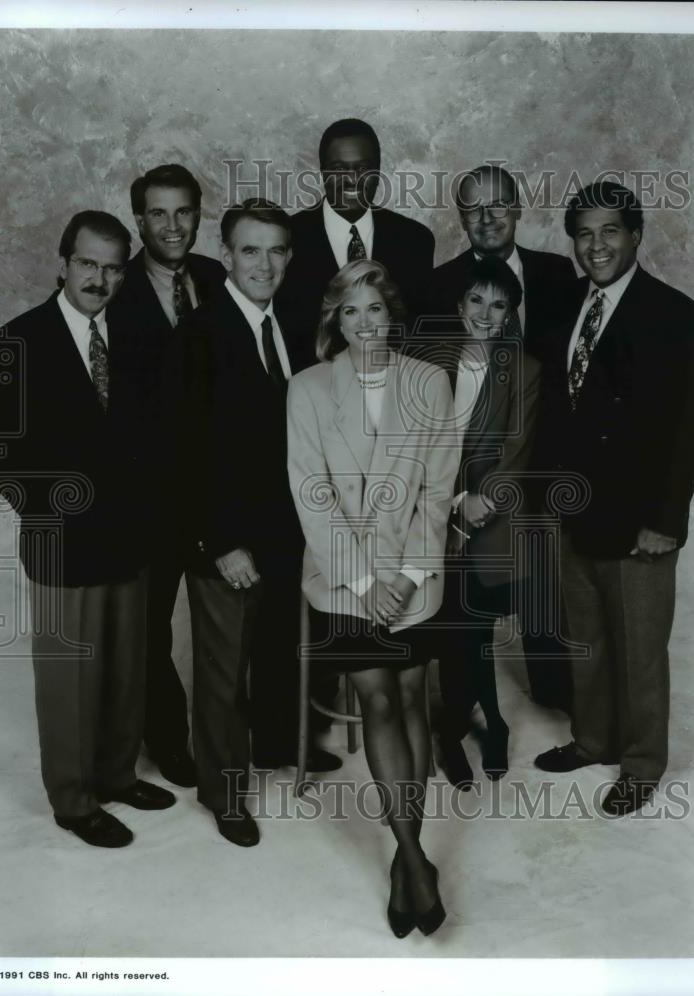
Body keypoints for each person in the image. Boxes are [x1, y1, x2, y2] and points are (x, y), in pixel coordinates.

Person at [0, 211, 175, 848]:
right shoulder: (18, 340)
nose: (100, 278)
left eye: (113, 267)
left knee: (124, 669)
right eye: (88, 263)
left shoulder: (138, 335)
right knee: (70, 677)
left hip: (130, 535)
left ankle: (117, 774)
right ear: (63, 264)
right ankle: (73, 798)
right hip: (63, 539)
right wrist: (44, 509)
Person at [287, 260, 458, 937]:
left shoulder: (429, 382)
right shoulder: (307, 389)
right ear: (335, 318)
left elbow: (439, 489)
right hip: (343, 579)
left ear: (393, 314)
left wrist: (411, 575)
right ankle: (415, 860)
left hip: (415, 577)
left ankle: (403, 861)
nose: (365, 324)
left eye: (375, 310)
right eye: (350, 311)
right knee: (379, 699)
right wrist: (364, 582)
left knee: (414, 699)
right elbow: (312, 492)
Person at [532, 182, 694, 816]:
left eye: (610, 231)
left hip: (639, 521)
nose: (596, 244)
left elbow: (690, 431)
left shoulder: (678, 317)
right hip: (574, 511)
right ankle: (593, 738)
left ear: (636, 234)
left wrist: (665, 522)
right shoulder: (568, 309)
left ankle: (640, 763)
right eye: (584, 233)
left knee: (639, 647)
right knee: (588, 639)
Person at [177, 198, 341, 849]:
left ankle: (276, 744)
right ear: (226, 255)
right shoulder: (199, 333)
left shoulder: (294, 326)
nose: (264, 264)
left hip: (284, 529)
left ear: (290, 257)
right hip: (228, 541)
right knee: (222, 672)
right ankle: (223, 792)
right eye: (250, 250)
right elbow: (183, 450)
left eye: (276, 250)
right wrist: (219, 543)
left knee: (276, 648)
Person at [431, 163, 578, 713]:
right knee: (471, 601)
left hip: (548, 454)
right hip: (474, 478)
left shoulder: (558, 273)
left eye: (497, 204)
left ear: (518, 208)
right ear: (461, 217)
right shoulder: (442, 281)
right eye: (473, 208)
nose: (487, 217)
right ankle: (470, 709)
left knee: (547, 592)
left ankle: (557, 695)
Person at [114, 163, 226, 788]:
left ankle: (235, 734)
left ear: (199, 213)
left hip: (212, 492)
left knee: (222, 625)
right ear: (139, 221)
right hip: (150, 498)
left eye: (184, 211)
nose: (174, 225)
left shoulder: (215, 276)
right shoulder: (116, 288)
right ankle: (169, 740)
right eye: (159, 213)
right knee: (152, 629)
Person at [414, 256, 542, 787]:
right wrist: (449, 503)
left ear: (511, 313)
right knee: (451, 626)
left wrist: (472, 508)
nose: (485, 314)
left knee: (473, 624)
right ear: (458, 304)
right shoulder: (425, 361)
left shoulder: (524, 370)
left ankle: (464, 724)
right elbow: (413, 446)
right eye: (476, 300)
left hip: (492, 518)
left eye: (498, 304)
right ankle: (480, 723)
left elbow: (517, 453)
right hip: (432, 511)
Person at [276, 117, 435, 346]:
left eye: (362, 168)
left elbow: (417, 334)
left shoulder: (415, 240)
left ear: (378, 172)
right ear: (322, 173)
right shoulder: (288, 237)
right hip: (310, 379)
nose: (351, 180)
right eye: (338, 169)